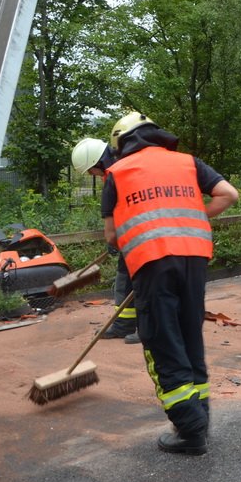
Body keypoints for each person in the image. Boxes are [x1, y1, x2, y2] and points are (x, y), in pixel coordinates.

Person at [102, 112, 239, 455]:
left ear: (122, 143)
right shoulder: (187, 162)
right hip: (194, 257)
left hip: (152, 261)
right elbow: (228, 195)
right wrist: (187, 216)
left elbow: (113, 236)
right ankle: (200, 418)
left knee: (163, 339)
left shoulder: (117, 173)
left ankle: (190, 430)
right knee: (190, 335)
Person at [71, 138, 139, 344]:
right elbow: (119, 209)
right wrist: (115, 238)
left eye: (91, 169)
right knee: (123, 281)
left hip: (143, 236)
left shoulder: (125, 172)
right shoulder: (111, 175)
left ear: (98, 161)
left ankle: (149, 328)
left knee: (145, 284)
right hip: (128, 237)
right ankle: (123, 325)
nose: (91, 174)